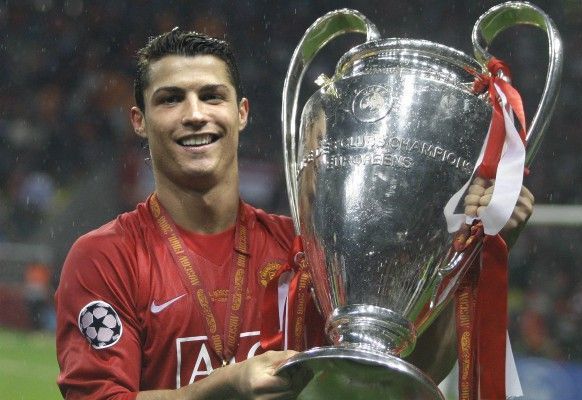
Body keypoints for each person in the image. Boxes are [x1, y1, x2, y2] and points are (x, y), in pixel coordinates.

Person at [55, 29, 534, 400]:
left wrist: (481, 248)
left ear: (241, 113)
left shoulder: (305, 252)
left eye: (212, 96)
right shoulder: (106, 257)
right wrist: (223, 386)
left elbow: (406, 372)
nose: (195, 113)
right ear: (139, 120)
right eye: (170, 98)